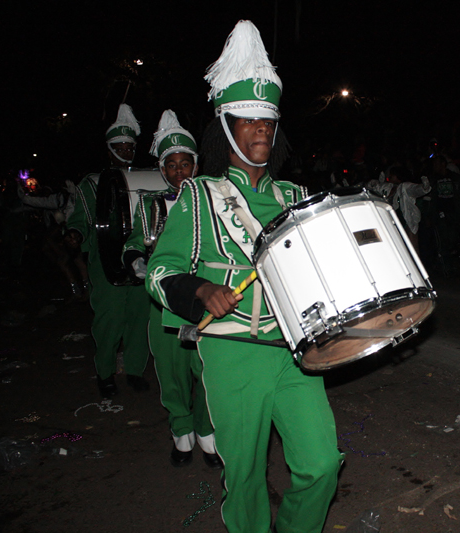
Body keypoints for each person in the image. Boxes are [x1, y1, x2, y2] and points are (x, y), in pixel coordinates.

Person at [146, 21, 342, 532]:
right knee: (248, 476)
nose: (262, 130)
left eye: (268, 121)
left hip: (294, 352)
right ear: (226, 125)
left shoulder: (296, 196)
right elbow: (160, 271)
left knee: (321, 465)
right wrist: (198, 289)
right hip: (232, 352)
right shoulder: (199, 194)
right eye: (249, 119)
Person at [121, 110, 221, 469]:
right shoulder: (149, 204)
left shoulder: (212, 199)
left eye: (185, 164)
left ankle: (207, 431)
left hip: (204, 298)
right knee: (171, 370)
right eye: (172, 166)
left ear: (196, 164)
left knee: (206, 369)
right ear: (162, 169)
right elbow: (133, 241)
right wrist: (136, 260)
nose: (179, 172)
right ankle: (181, 430)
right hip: (163, 299)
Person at [65, 104, 152, 398]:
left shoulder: (144, 180)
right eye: (120, 146)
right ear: (109, 149)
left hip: (138, 256)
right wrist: (75, 232)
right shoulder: (92, 182)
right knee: (110, 319)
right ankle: (104, 373)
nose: (126, 151)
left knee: (140, 317)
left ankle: (135, 370)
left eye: (130, 146)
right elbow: (82, 217)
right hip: (105, 258)